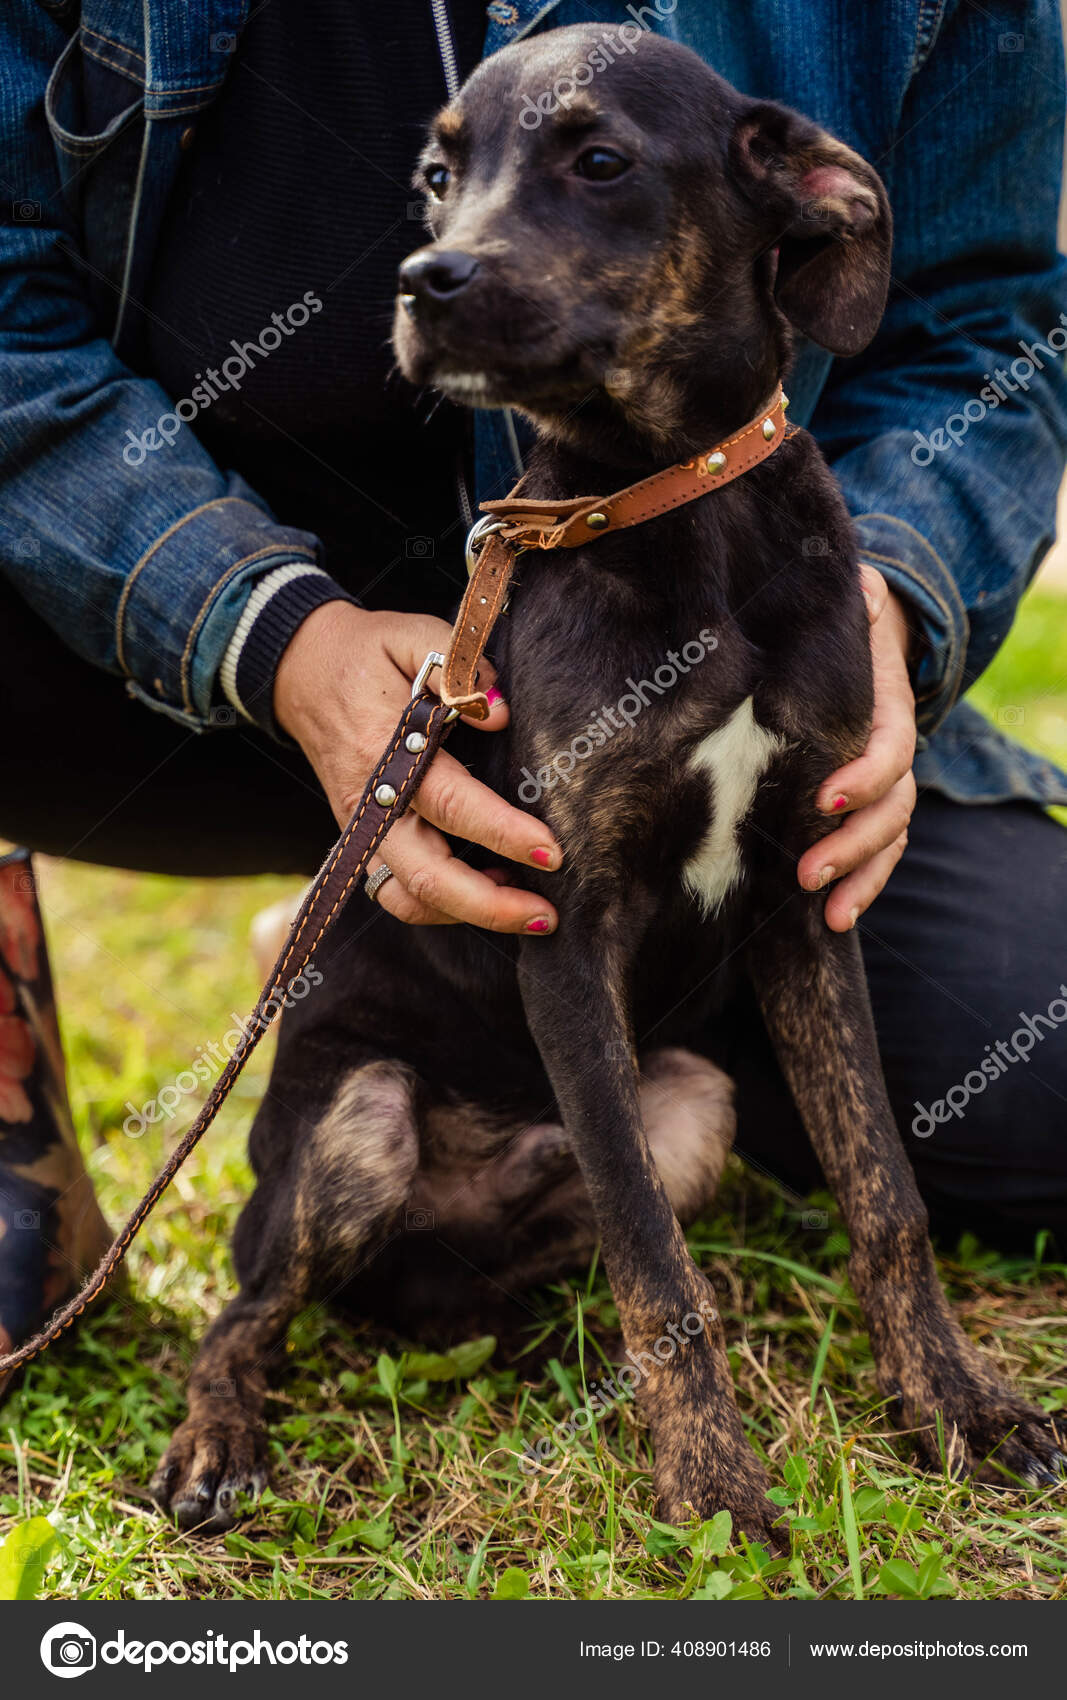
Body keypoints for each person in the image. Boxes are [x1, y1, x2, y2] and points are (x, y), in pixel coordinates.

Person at [1, 0, 1066, 1358]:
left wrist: (888, 603)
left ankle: (533, 988)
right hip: (164, 674)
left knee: (1039, 1085)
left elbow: (985, 326)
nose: (448, 246)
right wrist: (263, 626)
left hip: (731, 648)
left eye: (594, 165)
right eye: (442, 184)